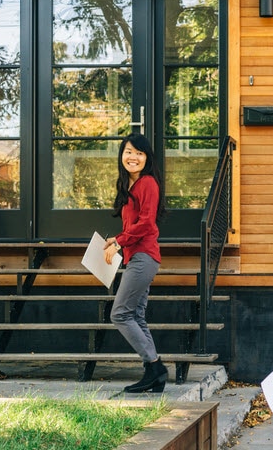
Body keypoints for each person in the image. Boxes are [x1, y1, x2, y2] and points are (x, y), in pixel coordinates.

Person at [104, 132, 167, 393]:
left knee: (120, 313)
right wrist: (115, 240)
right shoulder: (130, 186)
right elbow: (133, 224)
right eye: (129, 151)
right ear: (122, 155)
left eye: (139, 153)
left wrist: (119, 241)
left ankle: (155, 366)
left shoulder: (148, 183)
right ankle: (154, 373)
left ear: (146, 158)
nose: (133, 157)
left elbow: (146, 223)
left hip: (144, 257)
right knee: (136, 316)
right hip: (135, 257)